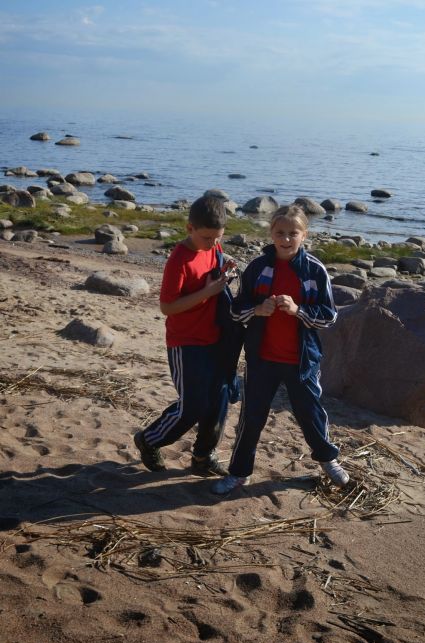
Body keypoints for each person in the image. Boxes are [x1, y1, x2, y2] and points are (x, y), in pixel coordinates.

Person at [211, 204, 350, 495]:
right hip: (261, 357)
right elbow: (236, 310)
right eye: (280, 233)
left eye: (293, 233)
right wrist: (258, 309)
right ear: (271, 234)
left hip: (302, 359)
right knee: (252, 417)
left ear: (304, 235)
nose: (286, 239)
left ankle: (328, 459)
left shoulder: (314, 270)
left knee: (310, 413)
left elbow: (329, 316)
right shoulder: (258, 267)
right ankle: (239, 473)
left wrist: (299, 310)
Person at [134, 195, 239, 475]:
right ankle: (149, 440)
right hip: (186, 343)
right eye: (207, 238)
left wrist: (224, 267)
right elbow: (167, 307)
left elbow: (212, 269)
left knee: (218, 401)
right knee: (192, 406)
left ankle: (203, 456)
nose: (213, 244)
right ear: (189, 228)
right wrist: (208, 292)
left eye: (218, 238)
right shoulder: (178, 259)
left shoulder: (212, 246)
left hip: (215, 338)